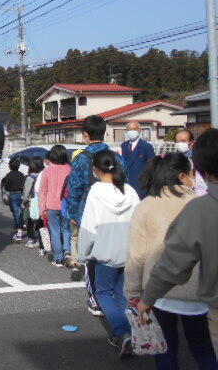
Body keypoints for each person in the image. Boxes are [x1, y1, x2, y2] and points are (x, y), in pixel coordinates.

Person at [125, 152, 217, 369]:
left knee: (165, 349)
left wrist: (134, 293)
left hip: (158, 292)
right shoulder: (200, 203)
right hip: (199, 293)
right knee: (204, 349)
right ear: (184, 175)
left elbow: (136, 256)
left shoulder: (146, 206)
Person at [78, 149, 140, 359]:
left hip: (105, 252)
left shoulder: (96, 191)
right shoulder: (129, 190)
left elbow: (89, 227)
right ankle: (128, 332)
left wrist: (83, 254)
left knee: (103, 293)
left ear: (96, 169)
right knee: (122, 294)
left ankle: (121, 333)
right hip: (129, 251)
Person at [67, 115, 126, 315]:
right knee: (114, 254)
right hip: (116, 213)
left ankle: (96, 298)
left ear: (85, 134)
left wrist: (73, 212)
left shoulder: (82, 158)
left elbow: (75, 188)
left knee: (92, 256)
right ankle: (115, 295)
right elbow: (124, 181)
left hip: (88, 213)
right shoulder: (117, 157)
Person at [39, 145, 72, 267]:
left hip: (51, 205)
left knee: (55, 231)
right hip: (66, 205)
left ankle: (58, 258)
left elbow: (43, 192)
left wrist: (42, 209)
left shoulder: (47, 171)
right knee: (67, 229)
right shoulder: (70, 169)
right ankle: (67, 251)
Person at [120, 120, 155, 199]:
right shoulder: (123, 145)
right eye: (130, 129)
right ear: (126, 131)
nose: (132, 131)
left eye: (134, 129)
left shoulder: (147, 146)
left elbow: (152, 167)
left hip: (141, 186)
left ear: (139, 130)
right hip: (126, 185)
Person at [175, 128, 208, 196]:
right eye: (177, 141)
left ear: (191, 142)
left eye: (183, 141)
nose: (179, 144)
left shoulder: (199, 159)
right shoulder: (175, 159)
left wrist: (192, 185)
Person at [22, 156, 44, 249]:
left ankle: (31, 239)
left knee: (30, 222)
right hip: (42, 201)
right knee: (40, 222)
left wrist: (24, 201)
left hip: (32, 202)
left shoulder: (30, 177)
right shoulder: (43, 175)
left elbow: (26, 191)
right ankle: (40, 240)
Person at [2, 158, 26, 242]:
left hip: (13, 195)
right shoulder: (22, 175)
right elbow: (24, 185)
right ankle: (22, 224)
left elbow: (6, 186)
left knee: (16, 212)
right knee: (22, 211)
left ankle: (19, 231)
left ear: (9, 166)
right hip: (21, 194)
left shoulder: (8, 175)